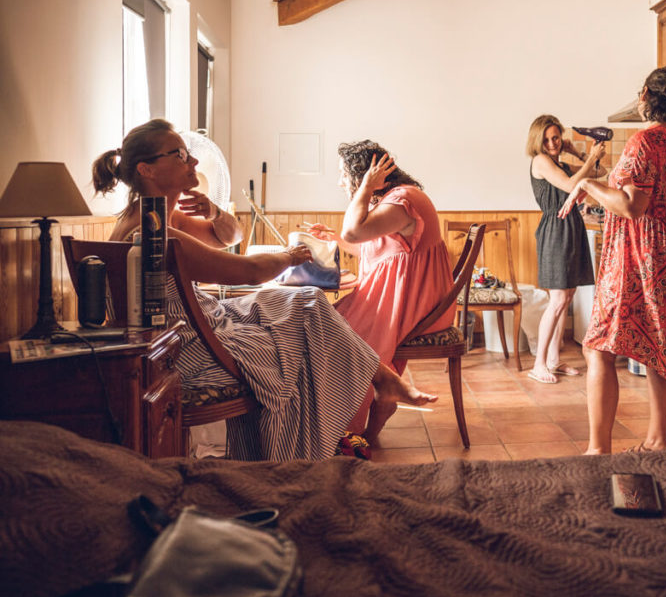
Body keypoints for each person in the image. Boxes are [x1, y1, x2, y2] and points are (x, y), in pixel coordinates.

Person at [92, 119, 435, 462]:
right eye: (181, 154)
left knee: (306, 304)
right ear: (146, 169)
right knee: (306, 316)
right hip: (187, 344)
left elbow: (231, 238)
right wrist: (290, 256)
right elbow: (251, 271)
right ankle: (331, 426)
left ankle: (376, 386)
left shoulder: (157, 219)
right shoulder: (150, 231)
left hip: (190, 327)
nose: (193, 162)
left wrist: (213, 210)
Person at [558, 64, 666, 454]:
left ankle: (598, 449)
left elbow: (631, 206)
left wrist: (588, 184)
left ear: (645, 97)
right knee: (664, 348)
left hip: (638, 258)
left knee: (599, 346)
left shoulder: (644, 141)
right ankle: (658, 442)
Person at [307, 140, 453, 443]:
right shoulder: (393, 201)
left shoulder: (403, 200)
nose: (340, 182)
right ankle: (362, 425)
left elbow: (354, 232)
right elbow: (372, 250)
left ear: (365, 175)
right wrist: (335, 237)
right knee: (330, 322)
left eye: (344, 175)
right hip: (405, 294)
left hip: (415, 301)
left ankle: (341, 429)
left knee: (336, 331)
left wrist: (363, 190)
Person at [526, 114, 606, 384]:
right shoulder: (540, 161)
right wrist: (592, 158)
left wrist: (577, 152)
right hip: (555, 231)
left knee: (567, 298)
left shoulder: (559, 163)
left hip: (571, 229)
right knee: (558, 300)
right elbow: (573, 185)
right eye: (546, 139)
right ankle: (539, 365)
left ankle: (553, 360)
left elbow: (600, 174)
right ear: (538, 141)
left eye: (556, 138)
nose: (552, 143)